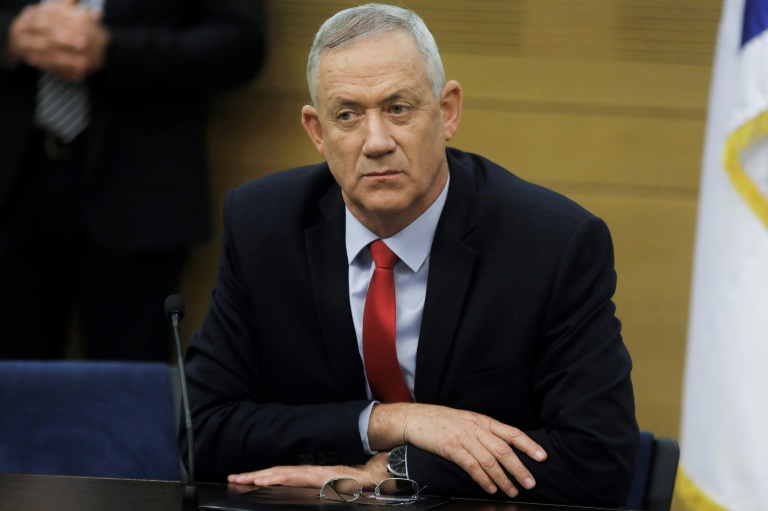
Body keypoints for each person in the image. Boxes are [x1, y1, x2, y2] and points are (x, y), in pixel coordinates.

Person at [182, 3, 638, 507]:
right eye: (347, 115)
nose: (376, 142)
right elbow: (201, 430)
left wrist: (397, 469)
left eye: (398, 108)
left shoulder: (550, 245)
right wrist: (391, 421)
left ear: (448, 112)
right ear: (317, 132)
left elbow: (599, 460)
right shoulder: (263, 227)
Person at [0, 0, 265, 360]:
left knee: (128, 381)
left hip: (142, 188)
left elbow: (240, 44)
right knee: (13, 380)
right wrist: (11, 34)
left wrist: (113, 49)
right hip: (14, 181)